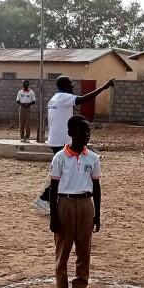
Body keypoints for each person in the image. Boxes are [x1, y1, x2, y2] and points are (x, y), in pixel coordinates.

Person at [33, 76, 114, 214]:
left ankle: (47, 199)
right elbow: (83, 100)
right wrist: (104, 87)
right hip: (62, 141)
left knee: (63, 172)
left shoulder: (54, 98)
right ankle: (44, 199)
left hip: (56, 139)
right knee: (63, 174)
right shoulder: (64, 97)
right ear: (64, 86)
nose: (73, 86)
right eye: (71, 84)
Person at [48, 115, 102, 288]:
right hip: (65, 203)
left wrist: (97, 214)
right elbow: (53, 188)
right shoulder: (60, 157)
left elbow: (96, 187)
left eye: (88, 131)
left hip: (86, 204)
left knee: (83, 249)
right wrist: (53, 216)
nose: (87, 135)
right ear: (71, 133)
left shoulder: (93, 158)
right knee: (63, 249)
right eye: (82, 131)